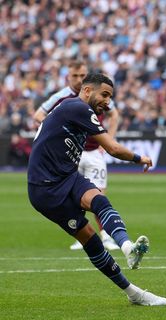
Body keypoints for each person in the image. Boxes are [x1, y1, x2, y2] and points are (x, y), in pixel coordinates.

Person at [27, 73, 166, 306]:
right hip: (46, 190)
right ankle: (134, 293)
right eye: (104, 95)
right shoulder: (76, 106)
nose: (107, 101)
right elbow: (112, 148)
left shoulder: (76, 112)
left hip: (68, 177)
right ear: (86, 91)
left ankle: (128, 248)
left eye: (110, 97)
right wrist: (139, 157)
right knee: (91, 241)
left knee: (100, 201)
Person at [33, 60, 120, 251]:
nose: (79, 79)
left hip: (95, 152)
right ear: (68, 76)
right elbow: (38, 115)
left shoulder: (99, 94)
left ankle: (105, 236)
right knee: (74, 196)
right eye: (75, 76)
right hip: (72, 154)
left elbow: (115, 114)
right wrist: (54, 128)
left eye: (82, 76)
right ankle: (81, 234)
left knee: (97, 195)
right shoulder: (61, 96)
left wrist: (108, 142)